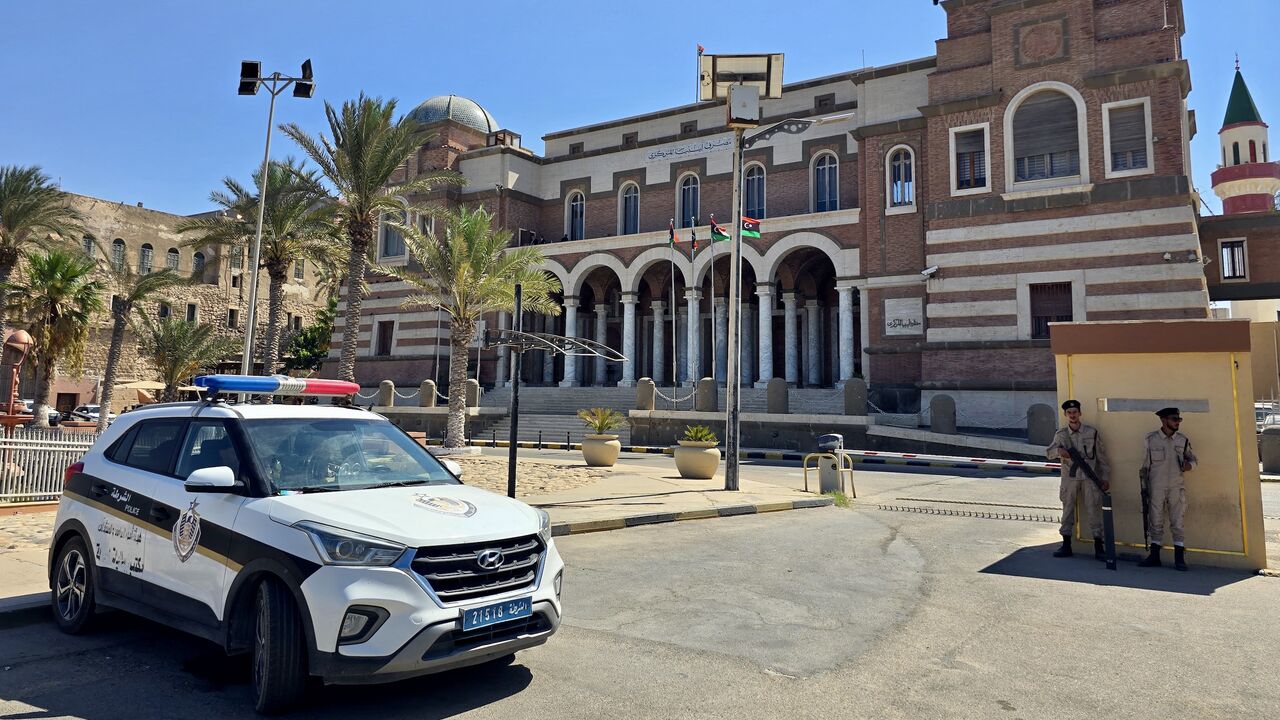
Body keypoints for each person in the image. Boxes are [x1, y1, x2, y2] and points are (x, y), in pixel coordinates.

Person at [1045, 399, 1110, 559]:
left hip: (1090, 478)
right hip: (1070, 479)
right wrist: (1060, 451)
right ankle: (1066, 544)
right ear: (1066, 415)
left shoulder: (1091, 433)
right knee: (1067, 510)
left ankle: (1098, 547)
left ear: (1080, 413)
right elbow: (1048, 452)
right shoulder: (1061, 435)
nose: (1072, 415)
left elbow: (1102, 458)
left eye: (1075, 412)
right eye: (1069, 413)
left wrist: (1105, 478)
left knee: (1093, 510)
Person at [1139, 407, 1197, 571]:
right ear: (1164, 421)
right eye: (1174, 419)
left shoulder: (1182, 440)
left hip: (1176, 487)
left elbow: (1194, 460)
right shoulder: (1151, 439)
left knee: (1177, 521)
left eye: (1179, 419)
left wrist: (1189, 466)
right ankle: (1154, 555)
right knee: (1155, 521)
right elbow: (1145, 466)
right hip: (1156, 486)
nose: (1177, 422)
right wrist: (1144, 488)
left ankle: (1179, 558)